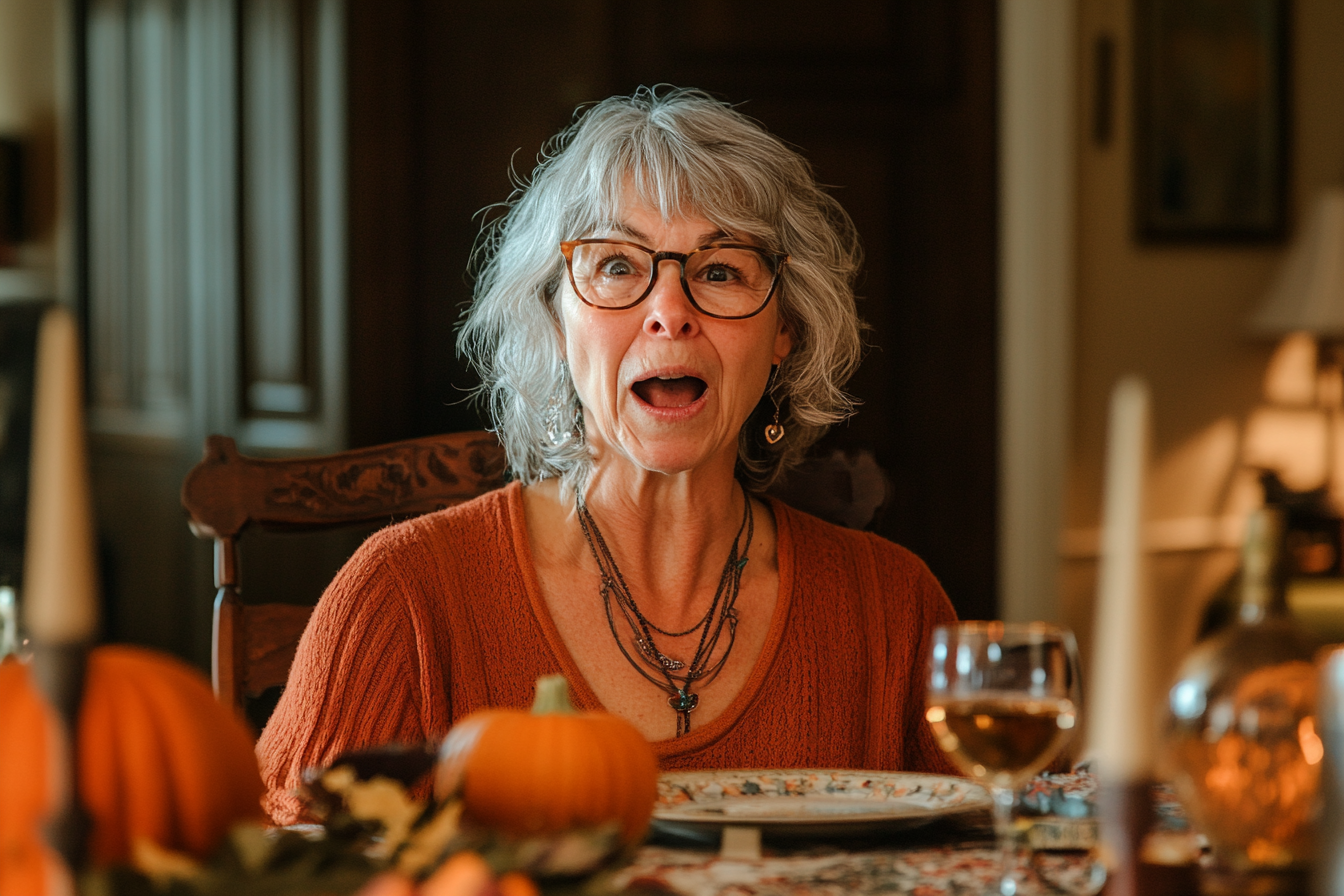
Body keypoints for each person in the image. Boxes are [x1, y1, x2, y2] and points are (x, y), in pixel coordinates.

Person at [257, 86, 959, 824]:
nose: (670, 311)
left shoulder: (896, 612)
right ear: (556, 318)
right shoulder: (402, 598)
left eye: (721, 271)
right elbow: (288, 868)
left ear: (786, 330)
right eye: (618, 267)